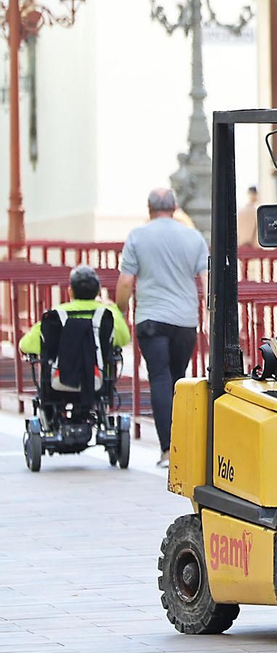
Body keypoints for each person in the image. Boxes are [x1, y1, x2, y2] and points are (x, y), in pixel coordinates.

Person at [116, 188, 208, 468]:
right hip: (184, 320)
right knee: (178, 379)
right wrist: (209, 313)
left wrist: (120, 311)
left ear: (149, 208)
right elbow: (207, 277)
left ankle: (167, 450)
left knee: (159, 378)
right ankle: (183, 447)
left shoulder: (137, 236)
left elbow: (124, 282)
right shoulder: (193, 236)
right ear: (175, 206)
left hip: (151, 318)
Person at [21, 265, 132, 409]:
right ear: (98, 291)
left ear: (70, 292)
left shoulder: (56, 315)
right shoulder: (108, 314)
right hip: (97, 382)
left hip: (58, 383)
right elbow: (124, 338)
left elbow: (26, 345)